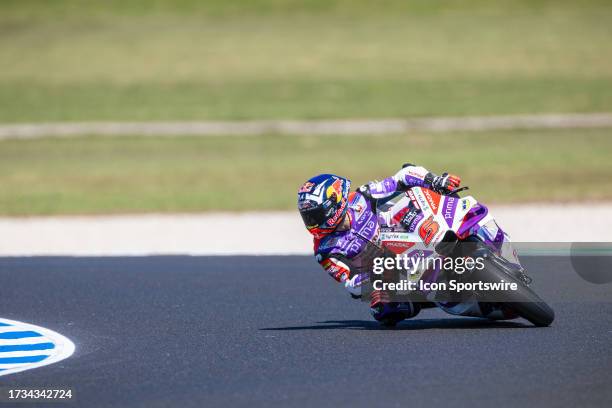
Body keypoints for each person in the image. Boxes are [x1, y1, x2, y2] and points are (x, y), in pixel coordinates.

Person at [297, 164, 461, 326]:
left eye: (315, 215)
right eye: (307, 217)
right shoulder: (325, 251)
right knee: (382, 310)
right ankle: (434, 295)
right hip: (395, 274)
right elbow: (352, 284)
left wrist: (435, 180)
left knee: (399, 206)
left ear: (334, 203)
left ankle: (446, 235)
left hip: (410, 236)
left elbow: (401, 176)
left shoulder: (362, 197)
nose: (312, 223)